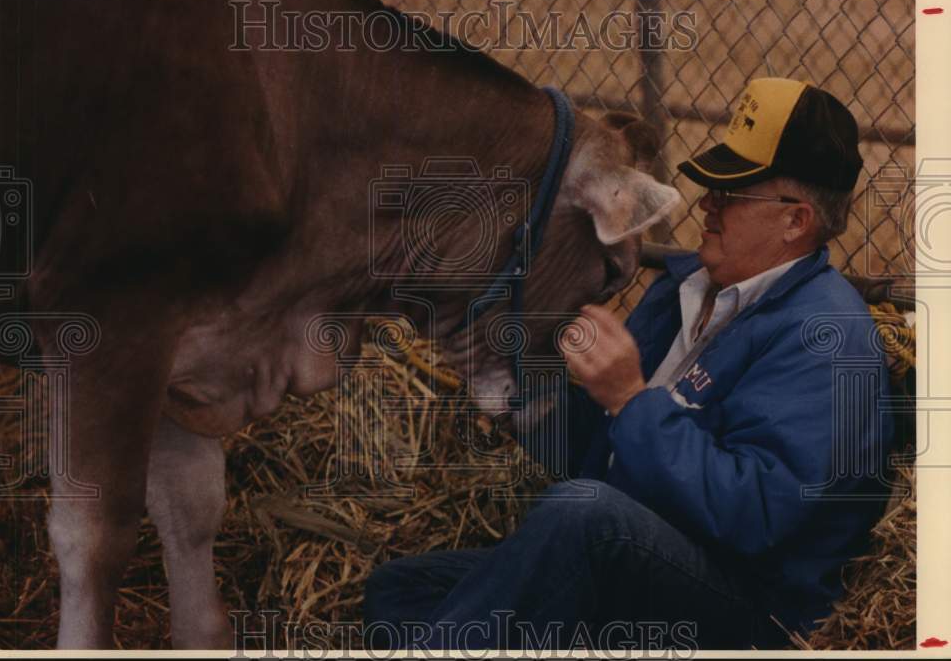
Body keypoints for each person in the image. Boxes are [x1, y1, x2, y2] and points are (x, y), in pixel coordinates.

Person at [363, 78, 894, 651]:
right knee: (405, 588)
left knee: (580, 519)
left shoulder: (826, 335)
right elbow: (601, 456)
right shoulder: (687, 288)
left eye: (734, 191)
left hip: (748, 607)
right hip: (634, 556)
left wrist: (631, 399)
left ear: (796, 221)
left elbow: (756, 514)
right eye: (713, 182)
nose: (707, 202)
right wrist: (512, 387)